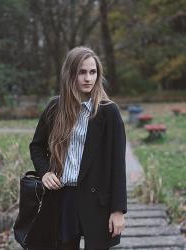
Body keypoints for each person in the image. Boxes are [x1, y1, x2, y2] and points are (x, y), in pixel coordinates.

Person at [28, 46, 127, 250]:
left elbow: (118, 165)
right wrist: (45, 172)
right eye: (82, 72)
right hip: (61, 197)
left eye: (93, 72)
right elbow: (36, 147)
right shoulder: (55, 108)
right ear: (70, 73)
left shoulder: (109, 112)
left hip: (97, 201)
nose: (88, 78)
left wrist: (118, 211)